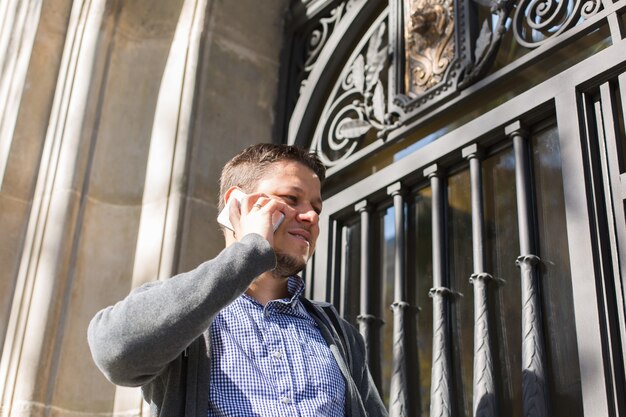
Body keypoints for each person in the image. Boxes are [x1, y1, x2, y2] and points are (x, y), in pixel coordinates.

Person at [88, 143, 387, 417]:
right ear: (238, 205)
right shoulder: (186, 314)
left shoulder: (338, 333)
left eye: (316, 208)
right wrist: (251, 251)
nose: (311, 216)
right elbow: (115, 352)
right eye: (291, 199)